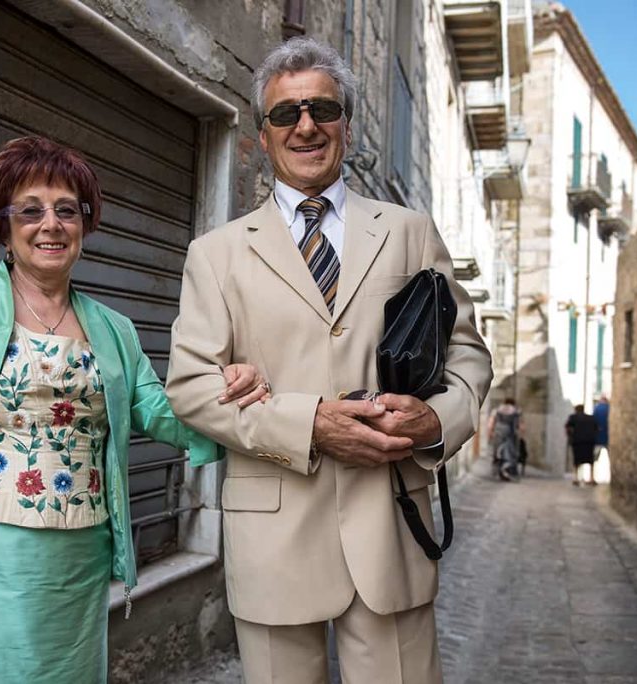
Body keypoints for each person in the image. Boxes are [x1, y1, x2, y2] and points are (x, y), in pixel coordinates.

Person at [0, 136, 269, 683]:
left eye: (67, 210)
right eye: (30, 210)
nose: (51, 224)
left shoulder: (114, 329)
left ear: (85, 223)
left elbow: (164, 413)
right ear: (3, 224)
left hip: (77, 563)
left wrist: (226, 387)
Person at [165, 38, 493, 684]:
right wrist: (309, 423)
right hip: (275, 537)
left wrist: (434, 421)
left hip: (391, 527)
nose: (306, 126)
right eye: (286, 114)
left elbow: (469, 358)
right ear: (262, 136)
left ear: (345, 121)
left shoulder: (409, 232)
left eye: (322, 108)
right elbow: (192, 386)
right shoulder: (217, 253)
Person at [487, 398, 522, 481]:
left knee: (497, 452)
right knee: (509, 452)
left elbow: (491, 422)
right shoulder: (515, 411)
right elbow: (520, 425)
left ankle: (497, 469)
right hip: (509, 433)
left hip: (498, 432)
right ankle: (508, 471)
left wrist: (490, 432)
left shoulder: (497, 409)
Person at [565, 404, 599, 486]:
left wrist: (570, 437)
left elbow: (568, 427)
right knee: (590, 460)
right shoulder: (591, 418)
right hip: (589, 442)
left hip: (577, 441)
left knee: (577, 460)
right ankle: (592, 478)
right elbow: (597, 428)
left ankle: (576, 478)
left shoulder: (573, 417)